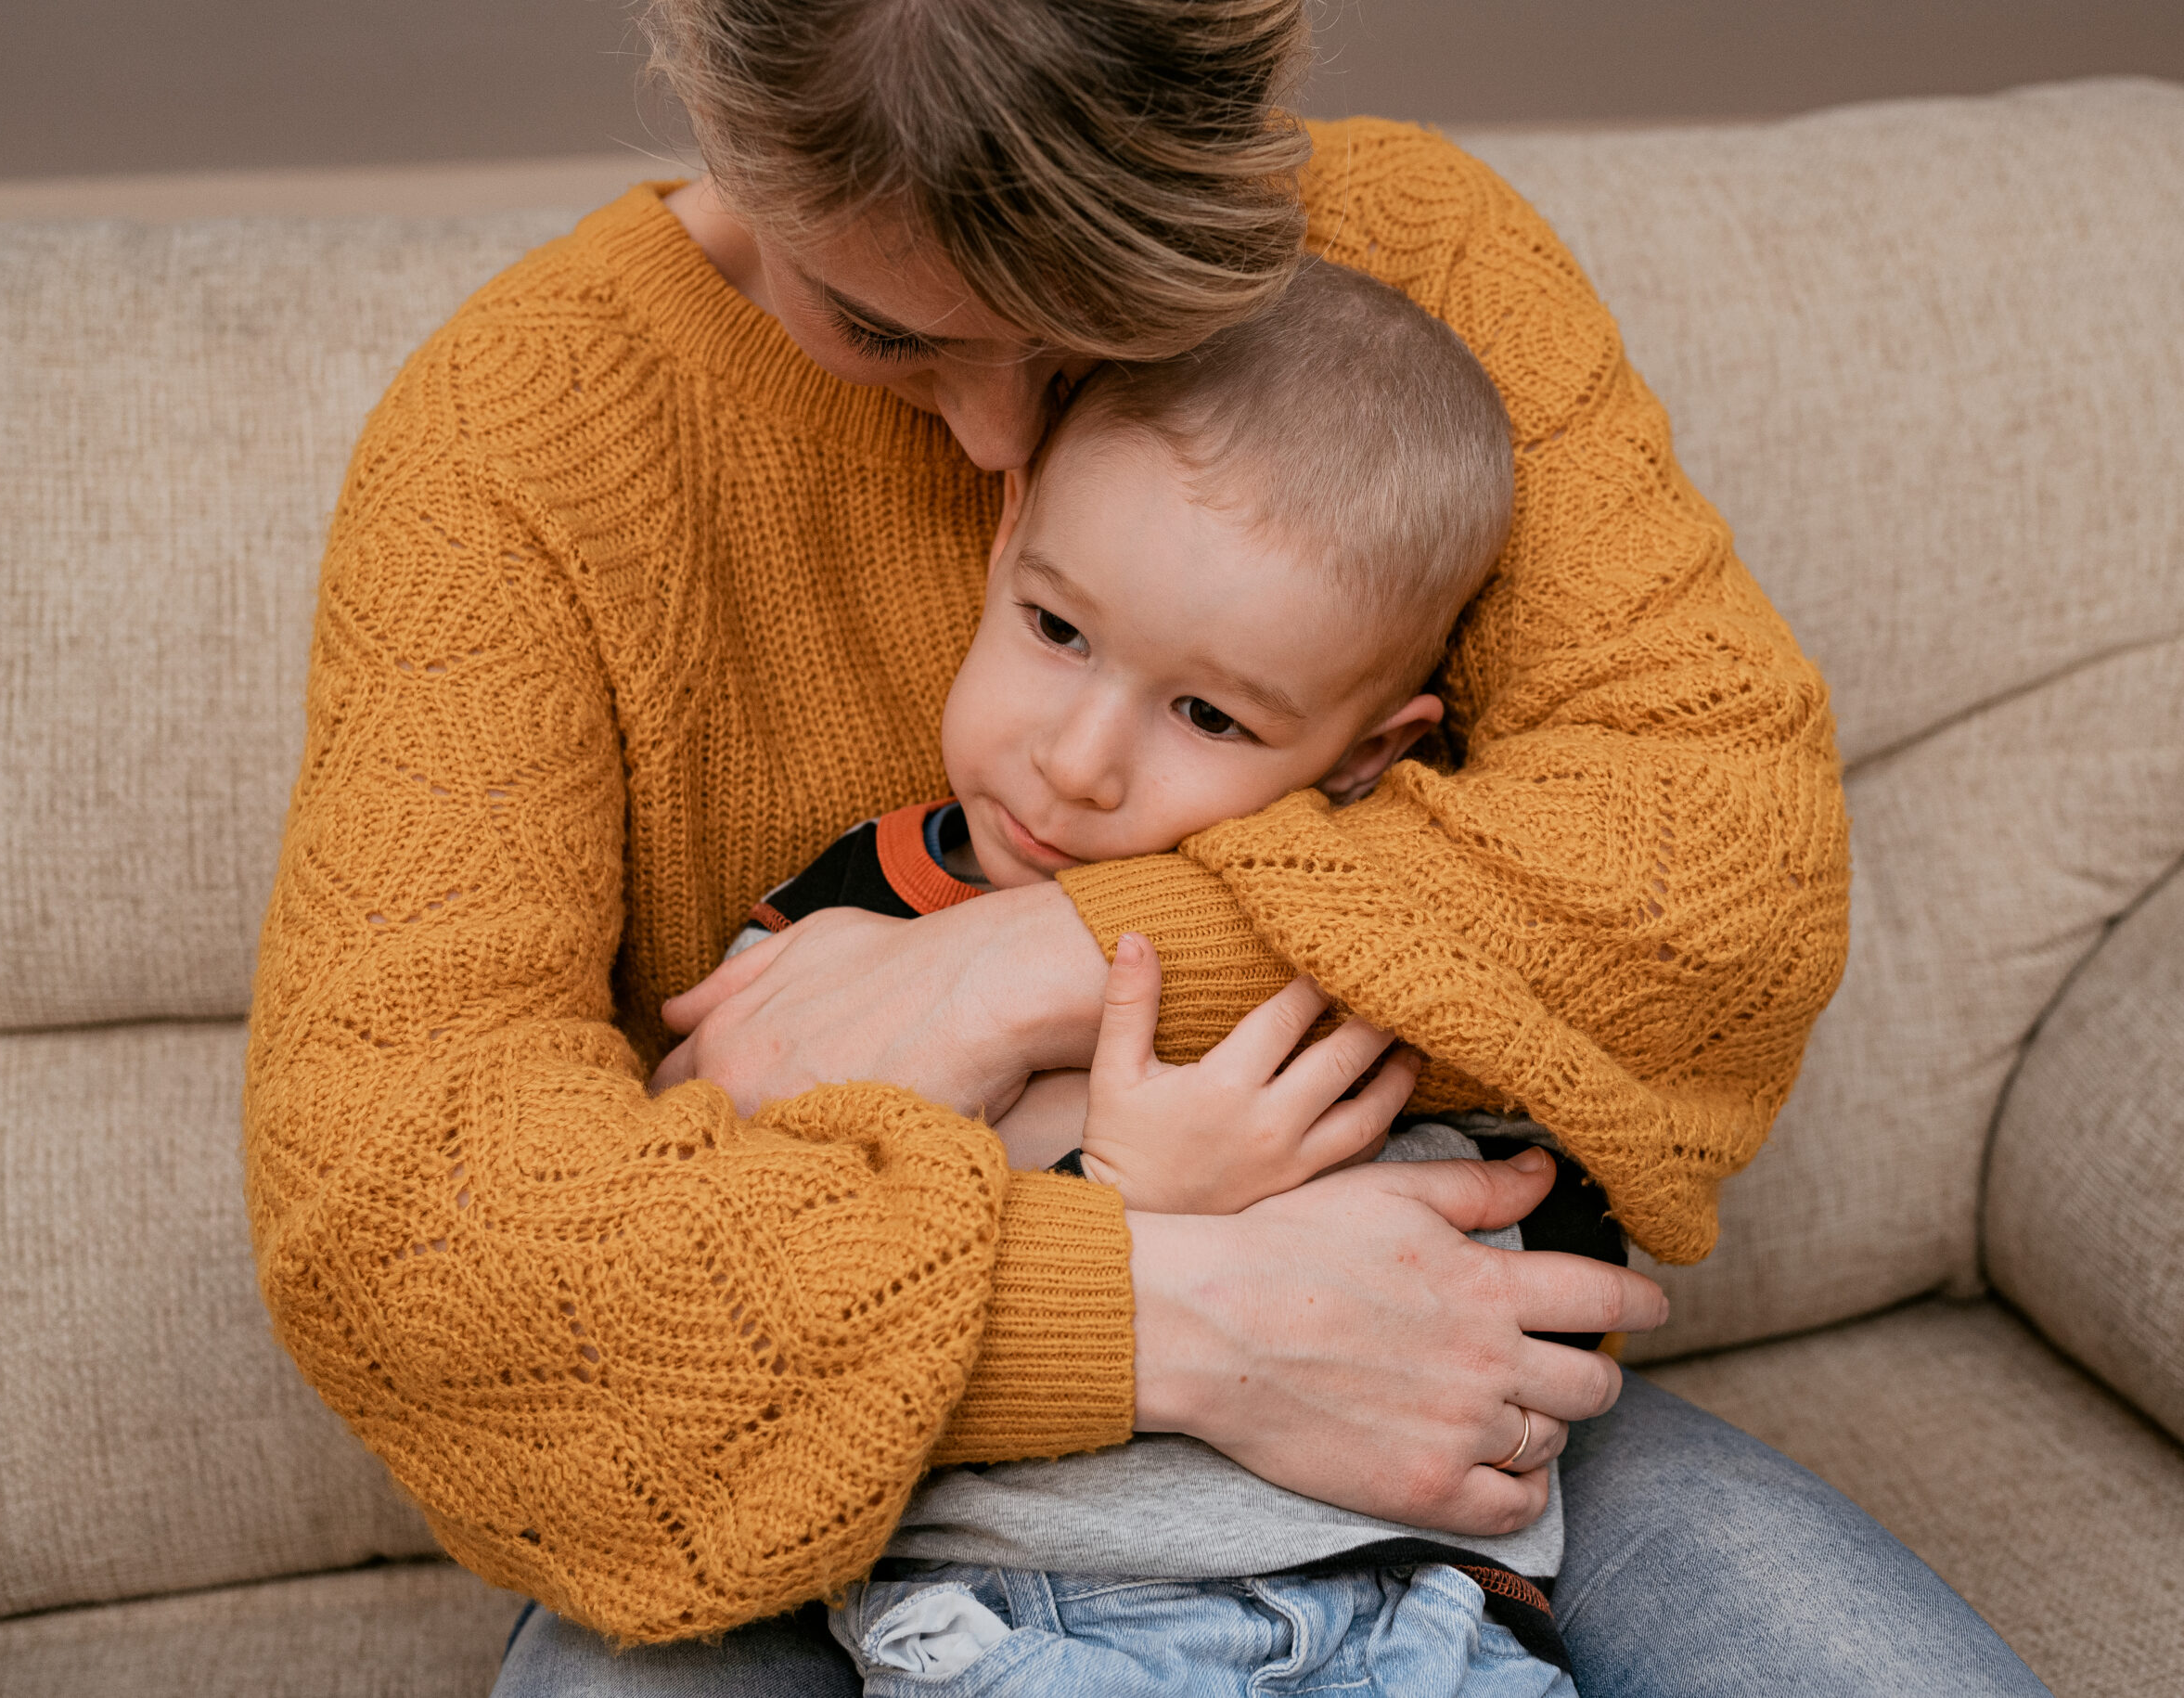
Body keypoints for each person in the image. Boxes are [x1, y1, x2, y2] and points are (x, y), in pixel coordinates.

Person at [239, 1, 2043, 1692]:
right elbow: (405, 1230)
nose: (1003, 441)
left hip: (1412, 1417)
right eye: (884, 327)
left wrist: (1014, 960)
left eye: (1105, 319)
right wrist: (1166, 1313)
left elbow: (1719, 856)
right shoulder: (518, 437)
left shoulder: (1411, 255)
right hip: (831, 1467)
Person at [664, 256, 1582, 1692]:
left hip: (1423, 1605)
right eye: (1057, 629)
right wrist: (1123, 1186)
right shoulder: (866, 925)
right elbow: (702, 1202)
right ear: (1006, 537)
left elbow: (1538, 1229)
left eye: (1208, 713)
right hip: (1036, 1621)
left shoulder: (1371, 925)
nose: (1077, 763)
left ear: (1362, 755)